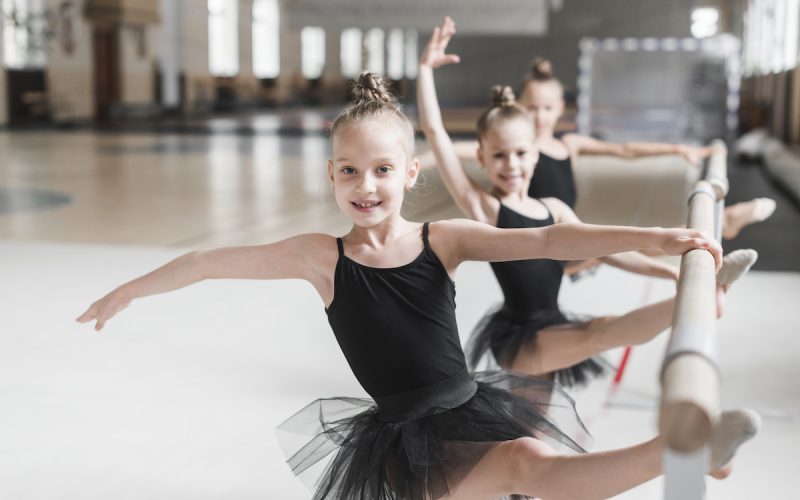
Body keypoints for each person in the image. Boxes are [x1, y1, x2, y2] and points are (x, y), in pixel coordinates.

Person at [77, 71, 757, 500]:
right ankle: (684, 448)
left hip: (468, 408)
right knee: (527, 467)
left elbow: (550, 240)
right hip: (404, 443)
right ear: (332, 177)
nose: (364, 186)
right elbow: (202, 262)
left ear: (410, 175)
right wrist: (129, 290)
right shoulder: (322, 259)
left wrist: (657, 238)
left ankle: (685, 446)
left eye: (380, 170)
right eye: (348, 171)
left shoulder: (445, 238)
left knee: (529, 463)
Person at [417, 17, 757, 386]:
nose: (511, 165)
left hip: (552, 324)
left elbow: (608, 250)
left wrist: (670, 272)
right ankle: (710, 298)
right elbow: (436, 134)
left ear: (536, 155)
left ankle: (707, 291)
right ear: (482, 159)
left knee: (530, 430)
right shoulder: (487, 208)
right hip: (521, 338)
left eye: (520, 153)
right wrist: (424, 71)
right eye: (499, 156)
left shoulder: (554, 209)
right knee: (602, 331)